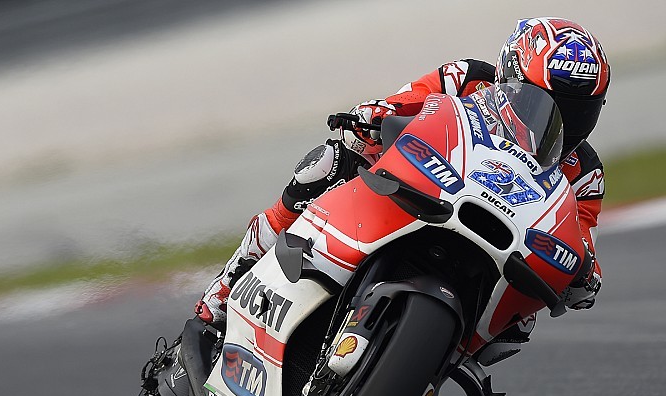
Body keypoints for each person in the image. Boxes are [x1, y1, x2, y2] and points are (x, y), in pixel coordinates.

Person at [195, 17, 609, 364]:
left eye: (578, 112)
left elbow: (582, 238)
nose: (562, 123)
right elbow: (407, 102)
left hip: (497, 245)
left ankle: (427, 371)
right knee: (328, 162)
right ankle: (228, 286)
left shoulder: (585, 172)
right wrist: (374, 115)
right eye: (546, 103)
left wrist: (586, 274)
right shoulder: (467, 79)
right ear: (511, 75)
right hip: (420, 190)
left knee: (522, 318)